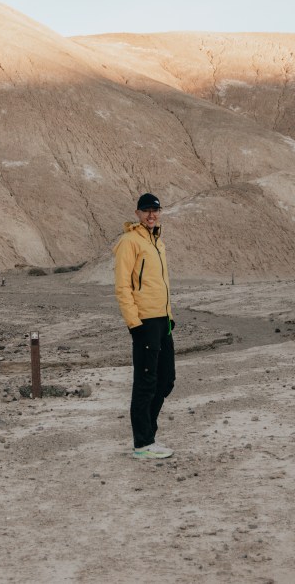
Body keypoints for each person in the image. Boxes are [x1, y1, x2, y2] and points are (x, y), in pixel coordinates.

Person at [113, 193, 176, 460]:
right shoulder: (129, 242)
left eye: (155, 210)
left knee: (166, 379)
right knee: (146, 382)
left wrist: (169, 316)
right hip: (144, 322)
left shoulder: (157, 241)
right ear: (137, 213)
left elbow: (161, 283)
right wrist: (134, 323)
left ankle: (149, 435)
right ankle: (143, 443)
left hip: (162, 320)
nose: (152, 215)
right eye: (147, 210)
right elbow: (122, 286)